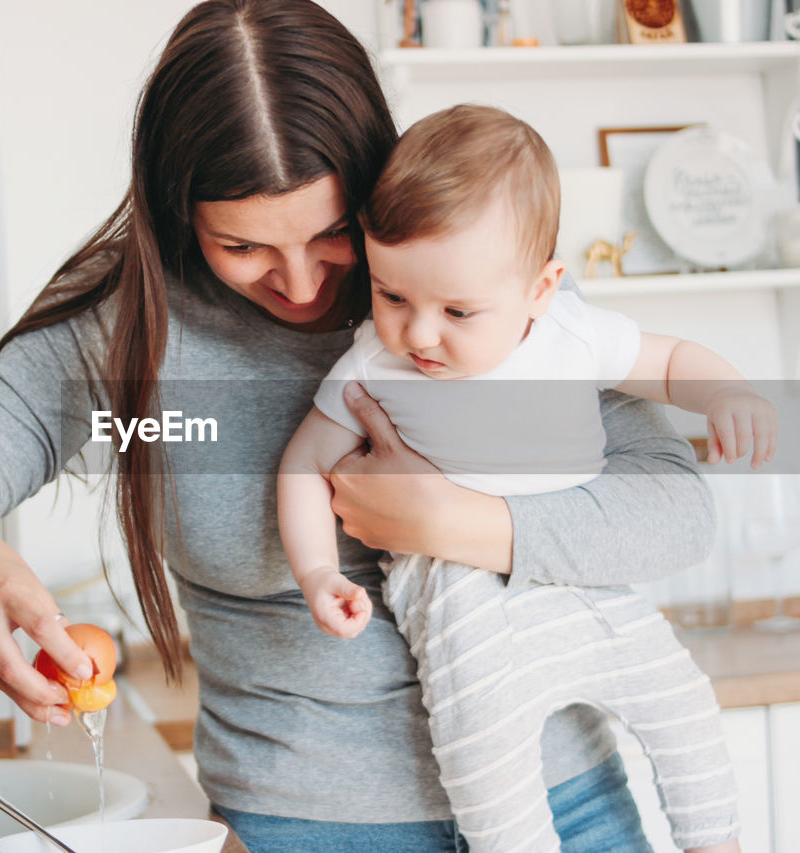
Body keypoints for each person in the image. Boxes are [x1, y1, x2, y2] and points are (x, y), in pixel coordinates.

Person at [0, 2, 717, 850]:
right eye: (245, 247)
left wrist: (454, 523)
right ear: (177, 208)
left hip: (566, 800)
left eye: (334, 233)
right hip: (307, 828)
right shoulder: (127, 332)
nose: (301, 284)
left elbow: (678, 509)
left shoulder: (468, 271)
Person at [278, 104, 760, 853]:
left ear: (542, 287)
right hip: (461, 602)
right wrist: (315, 571)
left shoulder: (571, 333)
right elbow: (305, 462)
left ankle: (717, 842)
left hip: (584, 581)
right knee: (487, 769)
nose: (420, 333)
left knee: (683, 706)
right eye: (393, 295)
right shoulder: (374, 360)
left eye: (458, 309)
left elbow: (669, 362)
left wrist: (727, 391)